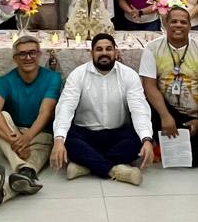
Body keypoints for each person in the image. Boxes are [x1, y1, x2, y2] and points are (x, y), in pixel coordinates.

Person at [50, 34, 155, 185]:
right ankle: (116, 170)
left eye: (108, 49)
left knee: (138, 140)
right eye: (99, 49)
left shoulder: (129, 75)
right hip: (85, 134)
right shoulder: (77, 75)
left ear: (115, 52)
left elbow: (139, 109)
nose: (104, 53)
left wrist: (146, 139)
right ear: (91, 53)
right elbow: (66, 107)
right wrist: (59, 140)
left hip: (117, 134)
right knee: (68, 141)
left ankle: (85, 166)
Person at [0, 36, 60, 214]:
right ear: (14, 58)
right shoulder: (5, 80)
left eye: (32, 52)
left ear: (39, 55)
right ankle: (24, 170)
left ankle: (5, 190)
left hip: (40, 132)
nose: (28, 57)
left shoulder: (52, 78)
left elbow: (45, 113)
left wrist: (27, 138)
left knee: (37, 155)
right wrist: (14, 139)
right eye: (22, 54)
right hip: (13, 132)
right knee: (1, 115)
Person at [140, 7, 198, 167]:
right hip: (163, 109)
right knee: (142, 104)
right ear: (165, 25)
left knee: (195, 160)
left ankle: (167, 142)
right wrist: (165, 116)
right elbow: (149, 85)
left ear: (190, 26)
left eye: (183, 22)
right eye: (173, 21)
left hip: (191, 114)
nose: (178, 25)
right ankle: (158, 141)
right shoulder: (152, 49)